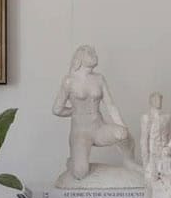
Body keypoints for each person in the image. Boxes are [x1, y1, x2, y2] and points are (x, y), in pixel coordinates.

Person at [52, 45, 140, 182]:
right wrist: (74, 111)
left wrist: (123, 127)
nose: (95, 55)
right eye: (90, 53)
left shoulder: (99, 79)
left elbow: (110, 105)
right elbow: (57, 109)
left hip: (99, 128)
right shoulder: (69, 81)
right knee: (80, 173)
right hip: (80, 133)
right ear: (80, 57)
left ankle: (129, 161)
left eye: (94, 52)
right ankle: (73, 162)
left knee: (123, 134)